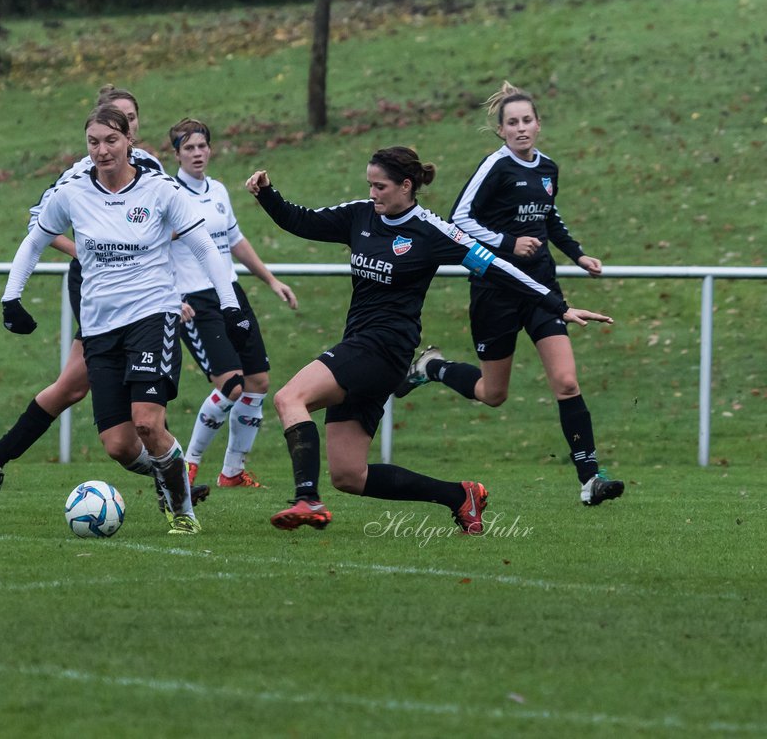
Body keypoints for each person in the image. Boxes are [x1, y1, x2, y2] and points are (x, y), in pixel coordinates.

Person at [245, 147, 613, 533]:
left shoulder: (431, 231)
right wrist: (267, 194)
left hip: (384, 347)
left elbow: (495, 266)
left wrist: (557, 304)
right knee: (349, 476)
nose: (373, 193)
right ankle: (460, 496)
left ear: (406, 186)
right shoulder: (361, 214)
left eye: (380, 186)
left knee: (289, 398)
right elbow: (301, 221)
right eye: (369, 185)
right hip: (362, 346)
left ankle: (307, 499)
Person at [0, 104, 251, 535]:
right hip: (99, 327)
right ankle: (170, 479)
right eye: (93, 142)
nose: (102, 150)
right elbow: (34, 240)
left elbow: (205, 247)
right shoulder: (73, 192)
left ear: (129, 141)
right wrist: (11, 298)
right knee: (118, 444)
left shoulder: (158, 189)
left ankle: (182, 513)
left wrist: (230, 305)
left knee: (147, 422)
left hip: (152, 314)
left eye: (111, 140)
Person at [0, 86, 211, 513]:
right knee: (77, 386)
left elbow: (170, 224)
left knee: (82, 389)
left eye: (131, 118)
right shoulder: (81, 174)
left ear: (133, 129)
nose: (125, 126)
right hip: (97, 284)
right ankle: (166, 477)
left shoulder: (149, 166)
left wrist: (164, 284)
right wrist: (84, 249)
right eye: (114, 121)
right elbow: (38, 223)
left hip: (141, 291)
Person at [396, 82, 625, 507]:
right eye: (512, 123)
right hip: (495, 290)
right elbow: (457, 219)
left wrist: (578, 255)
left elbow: (549, 218)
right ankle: (433, 368)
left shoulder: (548, 169)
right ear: (500, 130)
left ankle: (590, 479)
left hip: (540, 289)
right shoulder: (495, 167)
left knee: (567, 382)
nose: (521, 129)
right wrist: (507, 242)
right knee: (493, 394)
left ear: (538, 125)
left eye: (527, 121)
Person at [167, 117, 298, 489]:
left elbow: (235, 241)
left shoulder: (219, 191)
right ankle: (187, 466)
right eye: (188, 147)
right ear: (175, 153)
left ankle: (232, 472)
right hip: (194, 300)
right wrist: (172, 296)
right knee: (232, 385)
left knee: (257, 381)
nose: (197, 153)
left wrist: (271, 281)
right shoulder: (168, 194)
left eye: (202, 146)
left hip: (230, 294)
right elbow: (153, 248)